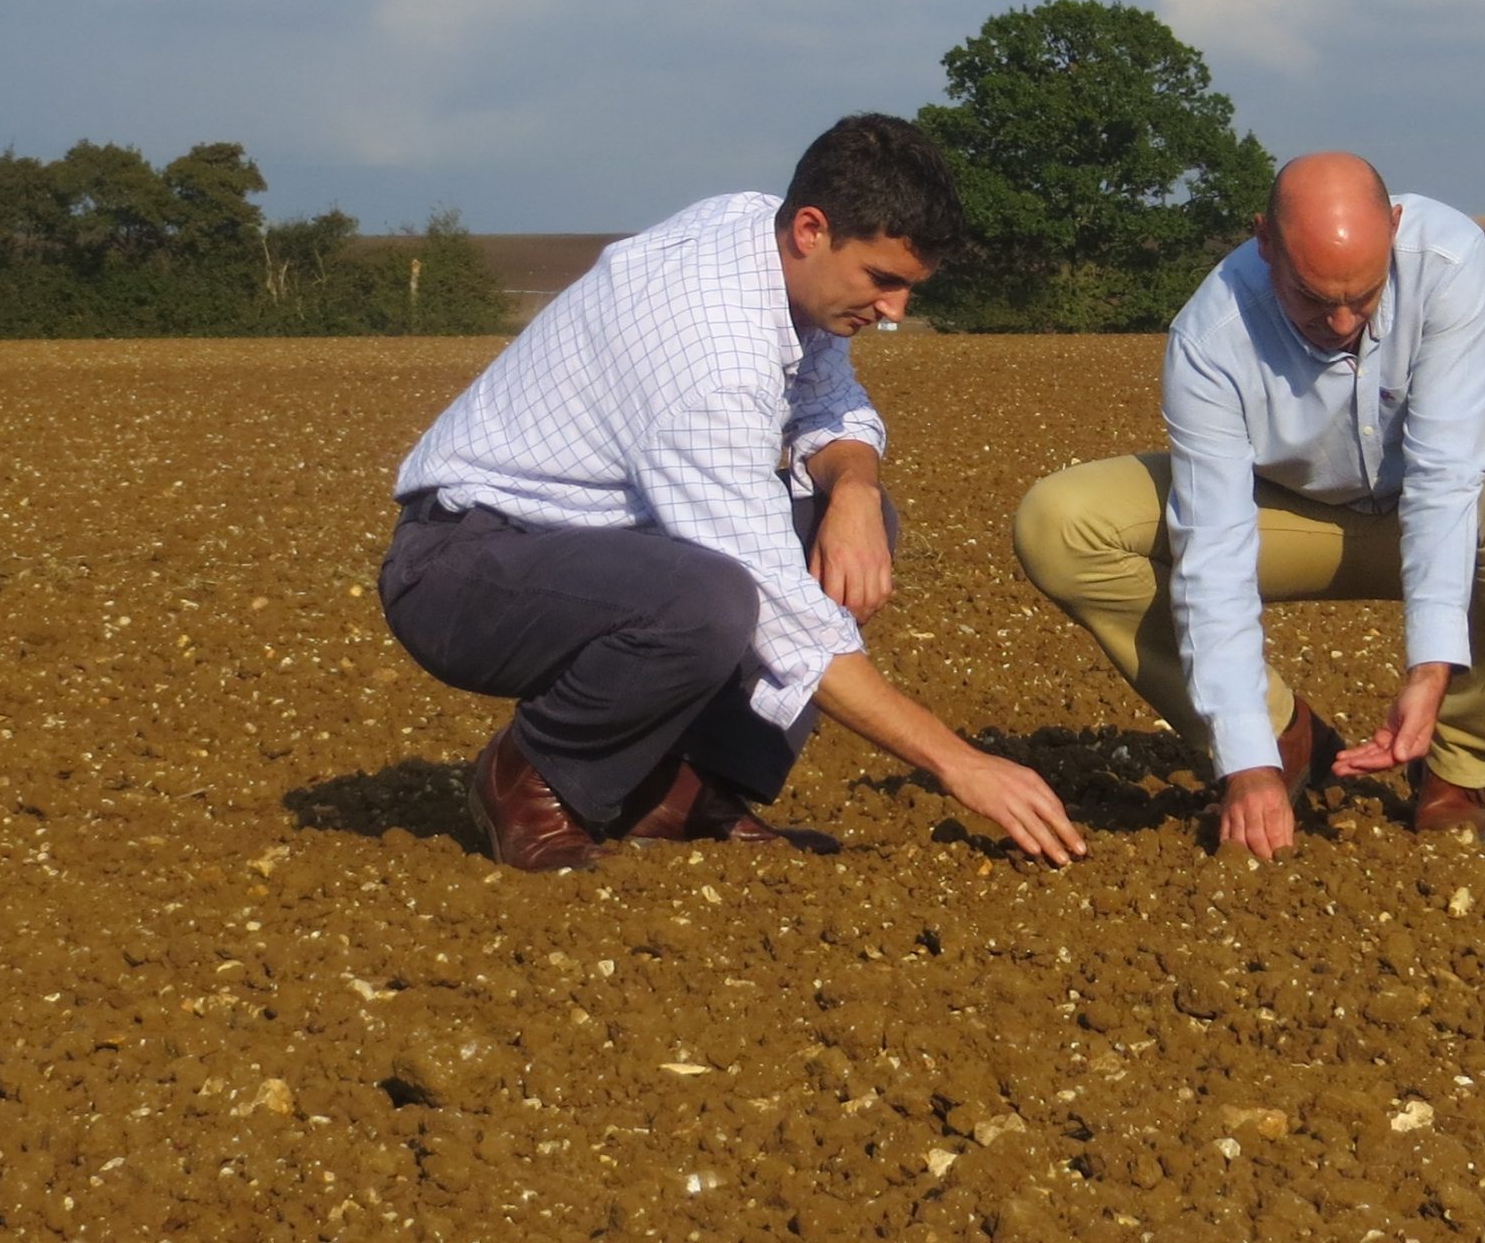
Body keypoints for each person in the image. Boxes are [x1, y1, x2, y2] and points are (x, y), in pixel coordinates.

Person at [380, 113, 1085, 873]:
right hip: (467, 565)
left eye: (910, 289)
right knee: (711, 598)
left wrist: (852, 489)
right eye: (883, 282)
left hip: (596, 544)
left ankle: (685, 791)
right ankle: (533, 775)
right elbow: (779, 610)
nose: (894, 313)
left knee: (847, 523)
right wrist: (958, 763)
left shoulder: (764, 240)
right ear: (812, 229)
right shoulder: (707, 351)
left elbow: (827, 406)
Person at [1014, 152, 1485, 858]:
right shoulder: (1210, 336)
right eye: (1316, 299)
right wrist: (1245, 757)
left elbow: (1445, 472)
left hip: (1451, 504)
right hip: (1290, 515)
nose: (1345, 322)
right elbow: (1216, 547)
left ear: (1395, 227)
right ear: (1264, 241)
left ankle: (1455, 768)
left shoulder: (1449, 256)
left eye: (1367, 295)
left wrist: (1430, 667)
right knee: (1060, 525)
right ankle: (1282, 736)